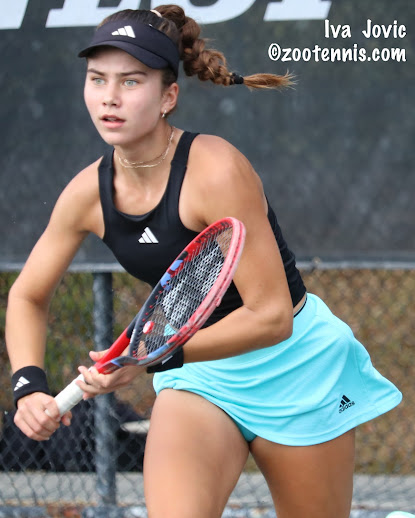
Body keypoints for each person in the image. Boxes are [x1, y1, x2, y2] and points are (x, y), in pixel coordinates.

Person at [6, 5, 402, 518]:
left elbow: (272, 317)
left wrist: (149, 359)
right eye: (97, 79)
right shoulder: (87, 193)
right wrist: (28, 386)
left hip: (294, 367)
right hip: (199, 376)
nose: (109, 96)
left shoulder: (215, 169)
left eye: (131, 81)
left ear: (168, 96)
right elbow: (28, 295)